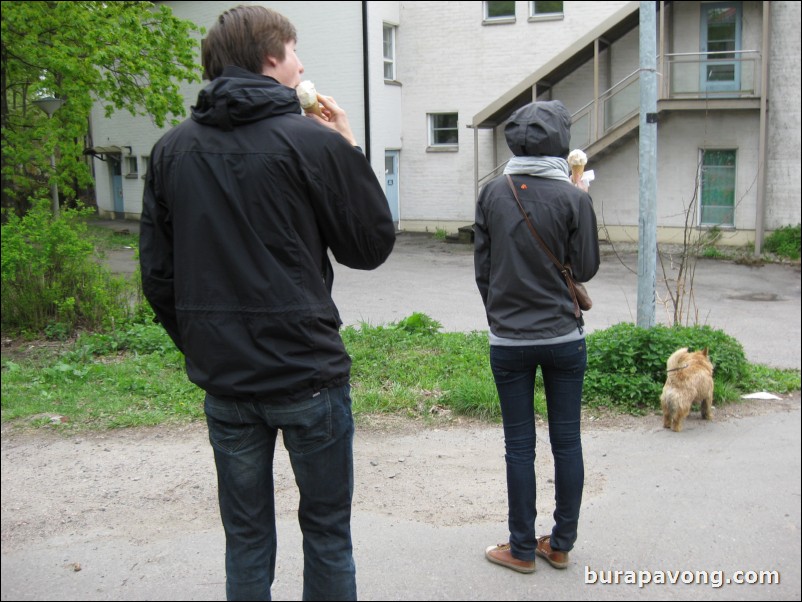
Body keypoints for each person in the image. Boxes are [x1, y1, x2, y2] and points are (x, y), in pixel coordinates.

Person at [139, 5, 395, 600]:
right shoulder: (312, 142)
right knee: (328, 532)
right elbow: (370, 246)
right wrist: (348, 149)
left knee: (246, 537)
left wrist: (207, 342)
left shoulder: (171, 150)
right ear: (271, 59)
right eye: (296, 50)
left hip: (226, 381)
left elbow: (158, 276)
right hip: (308, 376)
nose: (303, 63)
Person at [473, 100, 600, 574]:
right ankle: (561, 543)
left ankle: (521, 549)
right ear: (561, 142)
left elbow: (482, 272)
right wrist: (580, 195)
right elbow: (585, 267)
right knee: (567, 442)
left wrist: (501, 317)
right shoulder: (574, 197)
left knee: (518, 446)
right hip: (565, 337)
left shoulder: (492, 194)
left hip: (509, 341)